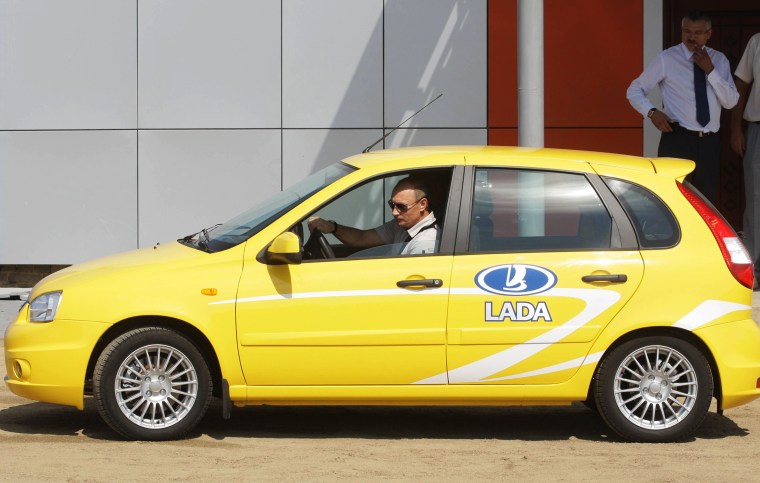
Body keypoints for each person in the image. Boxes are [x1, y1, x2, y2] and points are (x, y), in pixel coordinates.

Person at [627, 10, 739, 205]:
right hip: (677, 139)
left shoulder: (719, 60)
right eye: (687, 31)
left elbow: (731, 102)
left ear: (709, 34)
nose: (691, 37)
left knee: (705, 203)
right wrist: (651, 112)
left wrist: (710, 70)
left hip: (708, 143)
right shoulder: (667, 58)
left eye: (698, 32)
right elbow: (634, 90)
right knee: (671, 200)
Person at [308, 177, 439, 255]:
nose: (394, 212)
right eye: (392, 205)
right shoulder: (401, 226)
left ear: (422, 204)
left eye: (401, 207)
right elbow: (361, 238)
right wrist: (332, 227)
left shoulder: (425, 242)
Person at [731, 32, 760, 289]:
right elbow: (740, 85)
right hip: (757, 129)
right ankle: (755, 269)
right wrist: (735, 128)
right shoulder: (756, 42)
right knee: (755, 200)